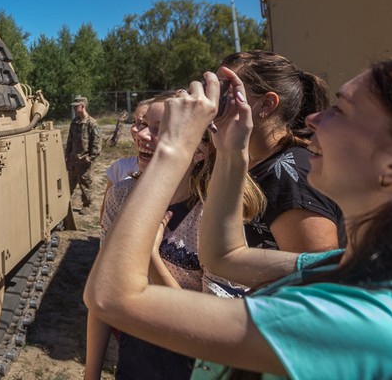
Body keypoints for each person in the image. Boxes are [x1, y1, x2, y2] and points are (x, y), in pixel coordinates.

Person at [85, 58, 392, 379]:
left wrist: (175, 147)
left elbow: (111, 298)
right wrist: (231, 150)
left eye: (342, 110)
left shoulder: (367, 322)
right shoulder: (348, 268)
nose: (313, 118)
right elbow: (226, 257)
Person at [85, 95, 265, 380]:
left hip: (191, 368)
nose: (142, 135)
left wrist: (150, 259)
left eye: (161, 130)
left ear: (199, 151)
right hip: (134, 359)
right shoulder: (121, 196)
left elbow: (212, 329)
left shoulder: (214, 217)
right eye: (144, 125)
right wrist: (91, 374)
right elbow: (101, 293)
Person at [220, 51, 342, 254]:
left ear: (266, 104)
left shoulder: (291, 176)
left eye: (225, 90)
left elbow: (315, 269)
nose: (212, 100)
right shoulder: (251, 163)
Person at [65, 95, 101, 214]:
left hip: (84, 161)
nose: (74, 108)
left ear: (83, 106)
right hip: (73, 159)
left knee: (85, 185)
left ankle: (87, 205)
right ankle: (64, 205)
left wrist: (91, 157)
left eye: (76, 106)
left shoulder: (92, 123)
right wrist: (67, 155)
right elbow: (70, 140)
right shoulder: (74, 122)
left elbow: (96, 142)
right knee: (69, 184)